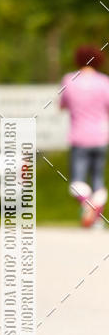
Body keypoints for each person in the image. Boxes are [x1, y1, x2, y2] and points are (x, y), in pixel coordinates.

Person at [60, 45, 109, 227]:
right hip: (101, 137)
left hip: (79, 137)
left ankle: (87, 204)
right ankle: (97, 219)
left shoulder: (69, 80)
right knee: (98, 179)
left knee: (77, 181)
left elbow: (62, 105)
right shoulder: (104, 82)